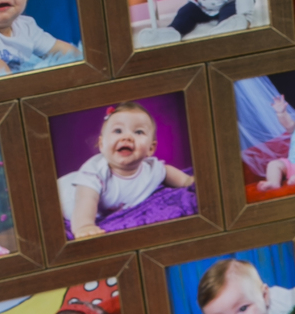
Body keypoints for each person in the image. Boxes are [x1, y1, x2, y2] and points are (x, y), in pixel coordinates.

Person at [58, 103, 195, 241]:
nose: (127, 137)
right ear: (102, 145)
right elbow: (86, 199)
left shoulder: (151, 169)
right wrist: (84, 226)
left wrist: (187, 180)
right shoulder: (94, 173)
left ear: (151, 149)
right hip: (64, 195)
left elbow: (165, 171)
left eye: (138, 132)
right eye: (118, 131)